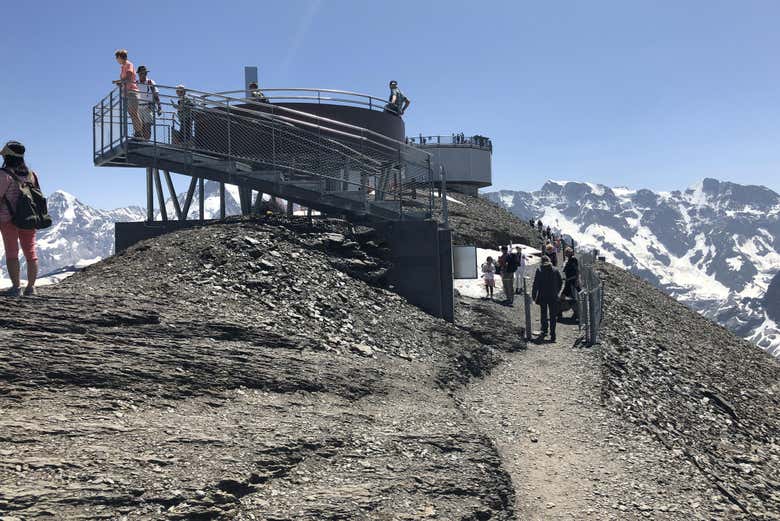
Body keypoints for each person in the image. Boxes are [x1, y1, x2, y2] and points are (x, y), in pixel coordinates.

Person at [0, 142, 41, 297]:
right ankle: (31, 288)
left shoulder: (3, 175)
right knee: (31, 252)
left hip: (7, 219)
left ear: (7, 156)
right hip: (28, 218)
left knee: (12, 252)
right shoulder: (32, 175)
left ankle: (16, 287)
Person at [532, 255, 564, 342]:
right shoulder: (555, 270)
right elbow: (560, 282)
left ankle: (544, 330)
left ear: (541, 262)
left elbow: (536, 284)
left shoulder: (539, 270)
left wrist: (534, 296)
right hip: (553, 296)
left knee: (544, 314)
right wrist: (557, 291)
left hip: (543, 296)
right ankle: (553, 334)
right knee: (553, 315)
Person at [113, 49, 142, 138]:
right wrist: (120, 84)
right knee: (132, 114)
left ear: (120, 57)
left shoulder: (129, 64)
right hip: (126, 93)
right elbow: (125, 81)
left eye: (116, 58)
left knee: (134, 113)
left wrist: (119, 81)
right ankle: (137, 132)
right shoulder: (122, 67)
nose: (116, 60)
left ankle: (139, 133)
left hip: (132, 92)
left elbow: (129, 78)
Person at [136, 66, 162, 140]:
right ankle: (140, 141)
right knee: (139, 127)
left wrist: (159, 108)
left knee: (147, 126)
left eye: (144, 73)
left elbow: (156, 95)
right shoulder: (136, 83)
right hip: (138, 108)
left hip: (148, 107)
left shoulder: (150, 82)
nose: (142, 74)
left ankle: (146, 142)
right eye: (141, 73)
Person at [561, 247, 581, 320]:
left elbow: (577, 271)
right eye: (566, 252)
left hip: (572, 282)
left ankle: (576, 314)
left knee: (574, 299)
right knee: (566, 297)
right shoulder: (569, 259)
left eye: (567, 252)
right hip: (568, 282)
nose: (566, 254)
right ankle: (574, 313)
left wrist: (577, 280)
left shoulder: (573, 259)